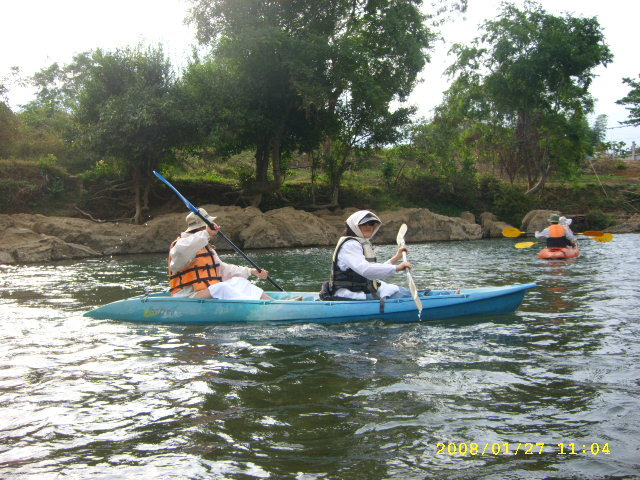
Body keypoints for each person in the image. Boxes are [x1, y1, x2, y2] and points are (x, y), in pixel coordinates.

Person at [169, 208, 301, 300]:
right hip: (188, 295)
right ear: (202, 228)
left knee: (238, 281)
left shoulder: (205, 247)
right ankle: (264, 307)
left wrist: (251, 271)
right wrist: (206, 233)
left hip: (206, 291)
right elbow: (181, 251)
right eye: (207, 226)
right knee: (222, 288)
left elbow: (222, 269)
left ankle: (274, 303)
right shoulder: (181, 245)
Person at [323, 210, 413, 300]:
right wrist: (397, 268)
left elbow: (374, 271)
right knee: (404, 294)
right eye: (363, 224)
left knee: (403, 292)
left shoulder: (361, 243)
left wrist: (396, 258)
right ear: (354, 226)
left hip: (365, 291)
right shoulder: (350, 245)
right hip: (350, 294)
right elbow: (365, 270)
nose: (368, 227)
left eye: (371, 223)